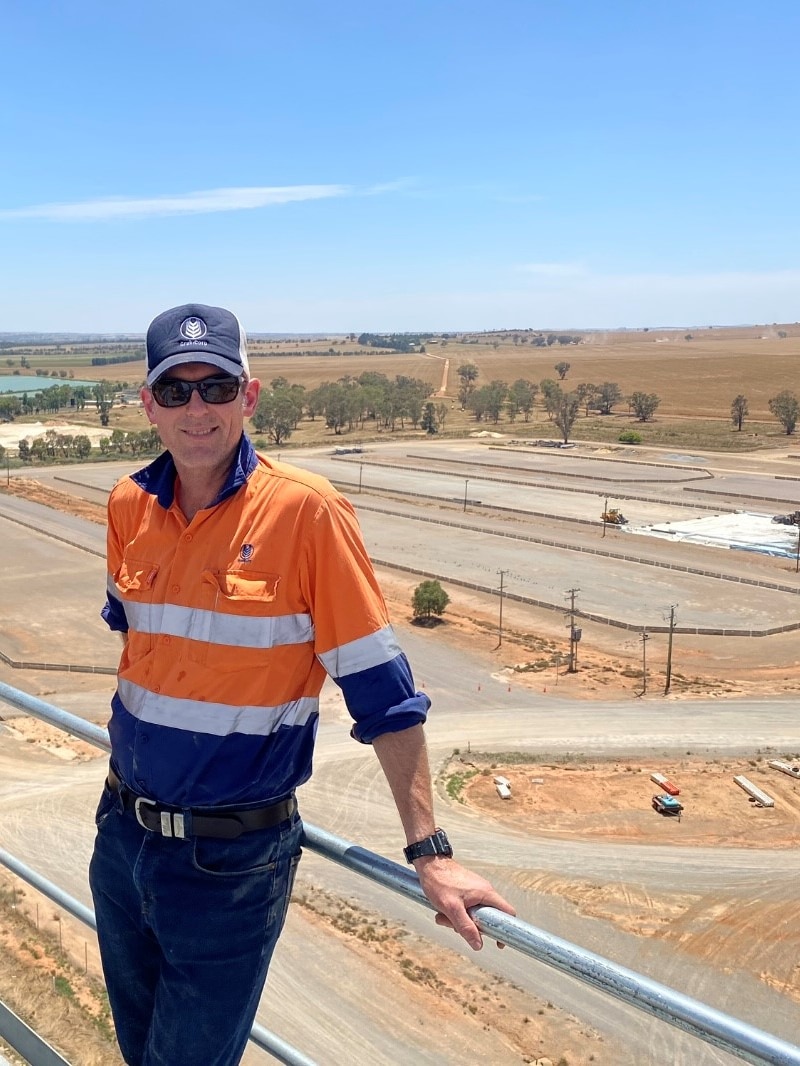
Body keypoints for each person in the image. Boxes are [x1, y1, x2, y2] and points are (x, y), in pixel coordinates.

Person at [89, 302, 515, 1066]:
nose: (197, 409)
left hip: (230, 866)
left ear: (249, 397)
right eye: (176, 390)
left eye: (216, 388)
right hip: (121, 838)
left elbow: (384, 694)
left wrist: (432, 850)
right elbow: (146, 662)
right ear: (148, 403)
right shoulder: (128, 504)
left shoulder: (307, 514)